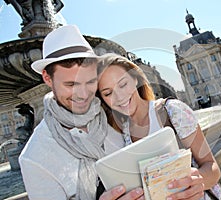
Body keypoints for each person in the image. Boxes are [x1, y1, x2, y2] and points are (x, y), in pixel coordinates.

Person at [19, 25, 144, 200]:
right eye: (71, 85)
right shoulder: (35, 157)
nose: (83, 95)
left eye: (90, 82)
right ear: (47, 78)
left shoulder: (116, 112)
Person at [97, 53, 221, 200]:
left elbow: (212, 169)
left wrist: (195, 183)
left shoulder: (173, 111)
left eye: (123, 84)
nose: (119, 97)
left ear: (135, 79)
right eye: (108, 93)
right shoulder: (123, 133)